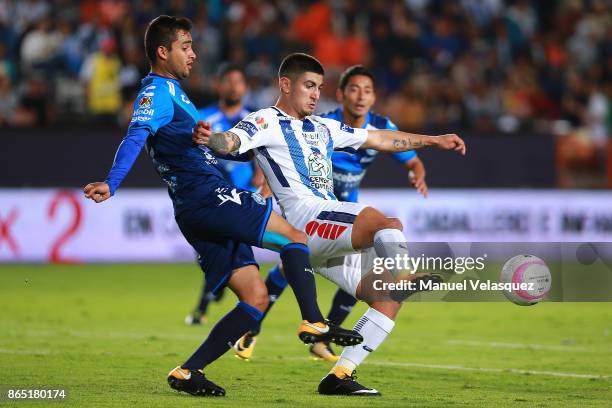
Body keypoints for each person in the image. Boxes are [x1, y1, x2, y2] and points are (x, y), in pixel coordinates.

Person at [83, 17, 362, 398]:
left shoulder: (176, 94)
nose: (194, 54)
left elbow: (205, 147)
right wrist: (111, 183)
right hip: (207, 196)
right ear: (163, 52)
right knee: (295, 236)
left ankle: (187, 371)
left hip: (194, 209)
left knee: (255, 298)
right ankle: (314, 321)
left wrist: (216, 144)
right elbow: (136, 134)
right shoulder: (157, 93)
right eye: (186, 46)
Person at [194, 52, 466, 396]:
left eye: (319, 87)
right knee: (383, 221)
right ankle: (403, 272)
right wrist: (211, 138)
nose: (314, 93)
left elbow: (379, 138)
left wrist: (433, 140)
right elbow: (231, 142)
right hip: (304, 220)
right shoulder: (267, 120)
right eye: (308, 85)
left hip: (325, 232)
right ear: (285, 84)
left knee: (389, 298)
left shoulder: (324, 128)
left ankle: (339, 375)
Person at [232, 64, 430, 363]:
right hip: (315, 212)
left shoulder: (373, 125)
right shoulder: (317, 122)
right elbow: (275, 149)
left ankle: (333, 361)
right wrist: (268, 180)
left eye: (367, 91)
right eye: (354, 89)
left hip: (341, 206)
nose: (361, 96)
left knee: (377, 286)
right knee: (379, 229)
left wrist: (423, 160)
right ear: (341, 94)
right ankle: (255, 328)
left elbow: (401, 151)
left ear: (374, 97)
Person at [185, 62, 268, 326]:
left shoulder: (254, 121)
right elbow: (191, 152)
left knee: (228, 253)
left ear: (245, 87)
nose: (234, 86)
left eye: (239, 81)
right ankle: (228, 305)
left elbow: (264, 155)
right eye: (229, 81)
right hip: (211, 198)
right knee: (222, 254)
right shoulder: (202, 118)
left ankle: (207, 307)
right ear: (218, 85)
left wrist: (261, 176)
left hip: (242, 199)